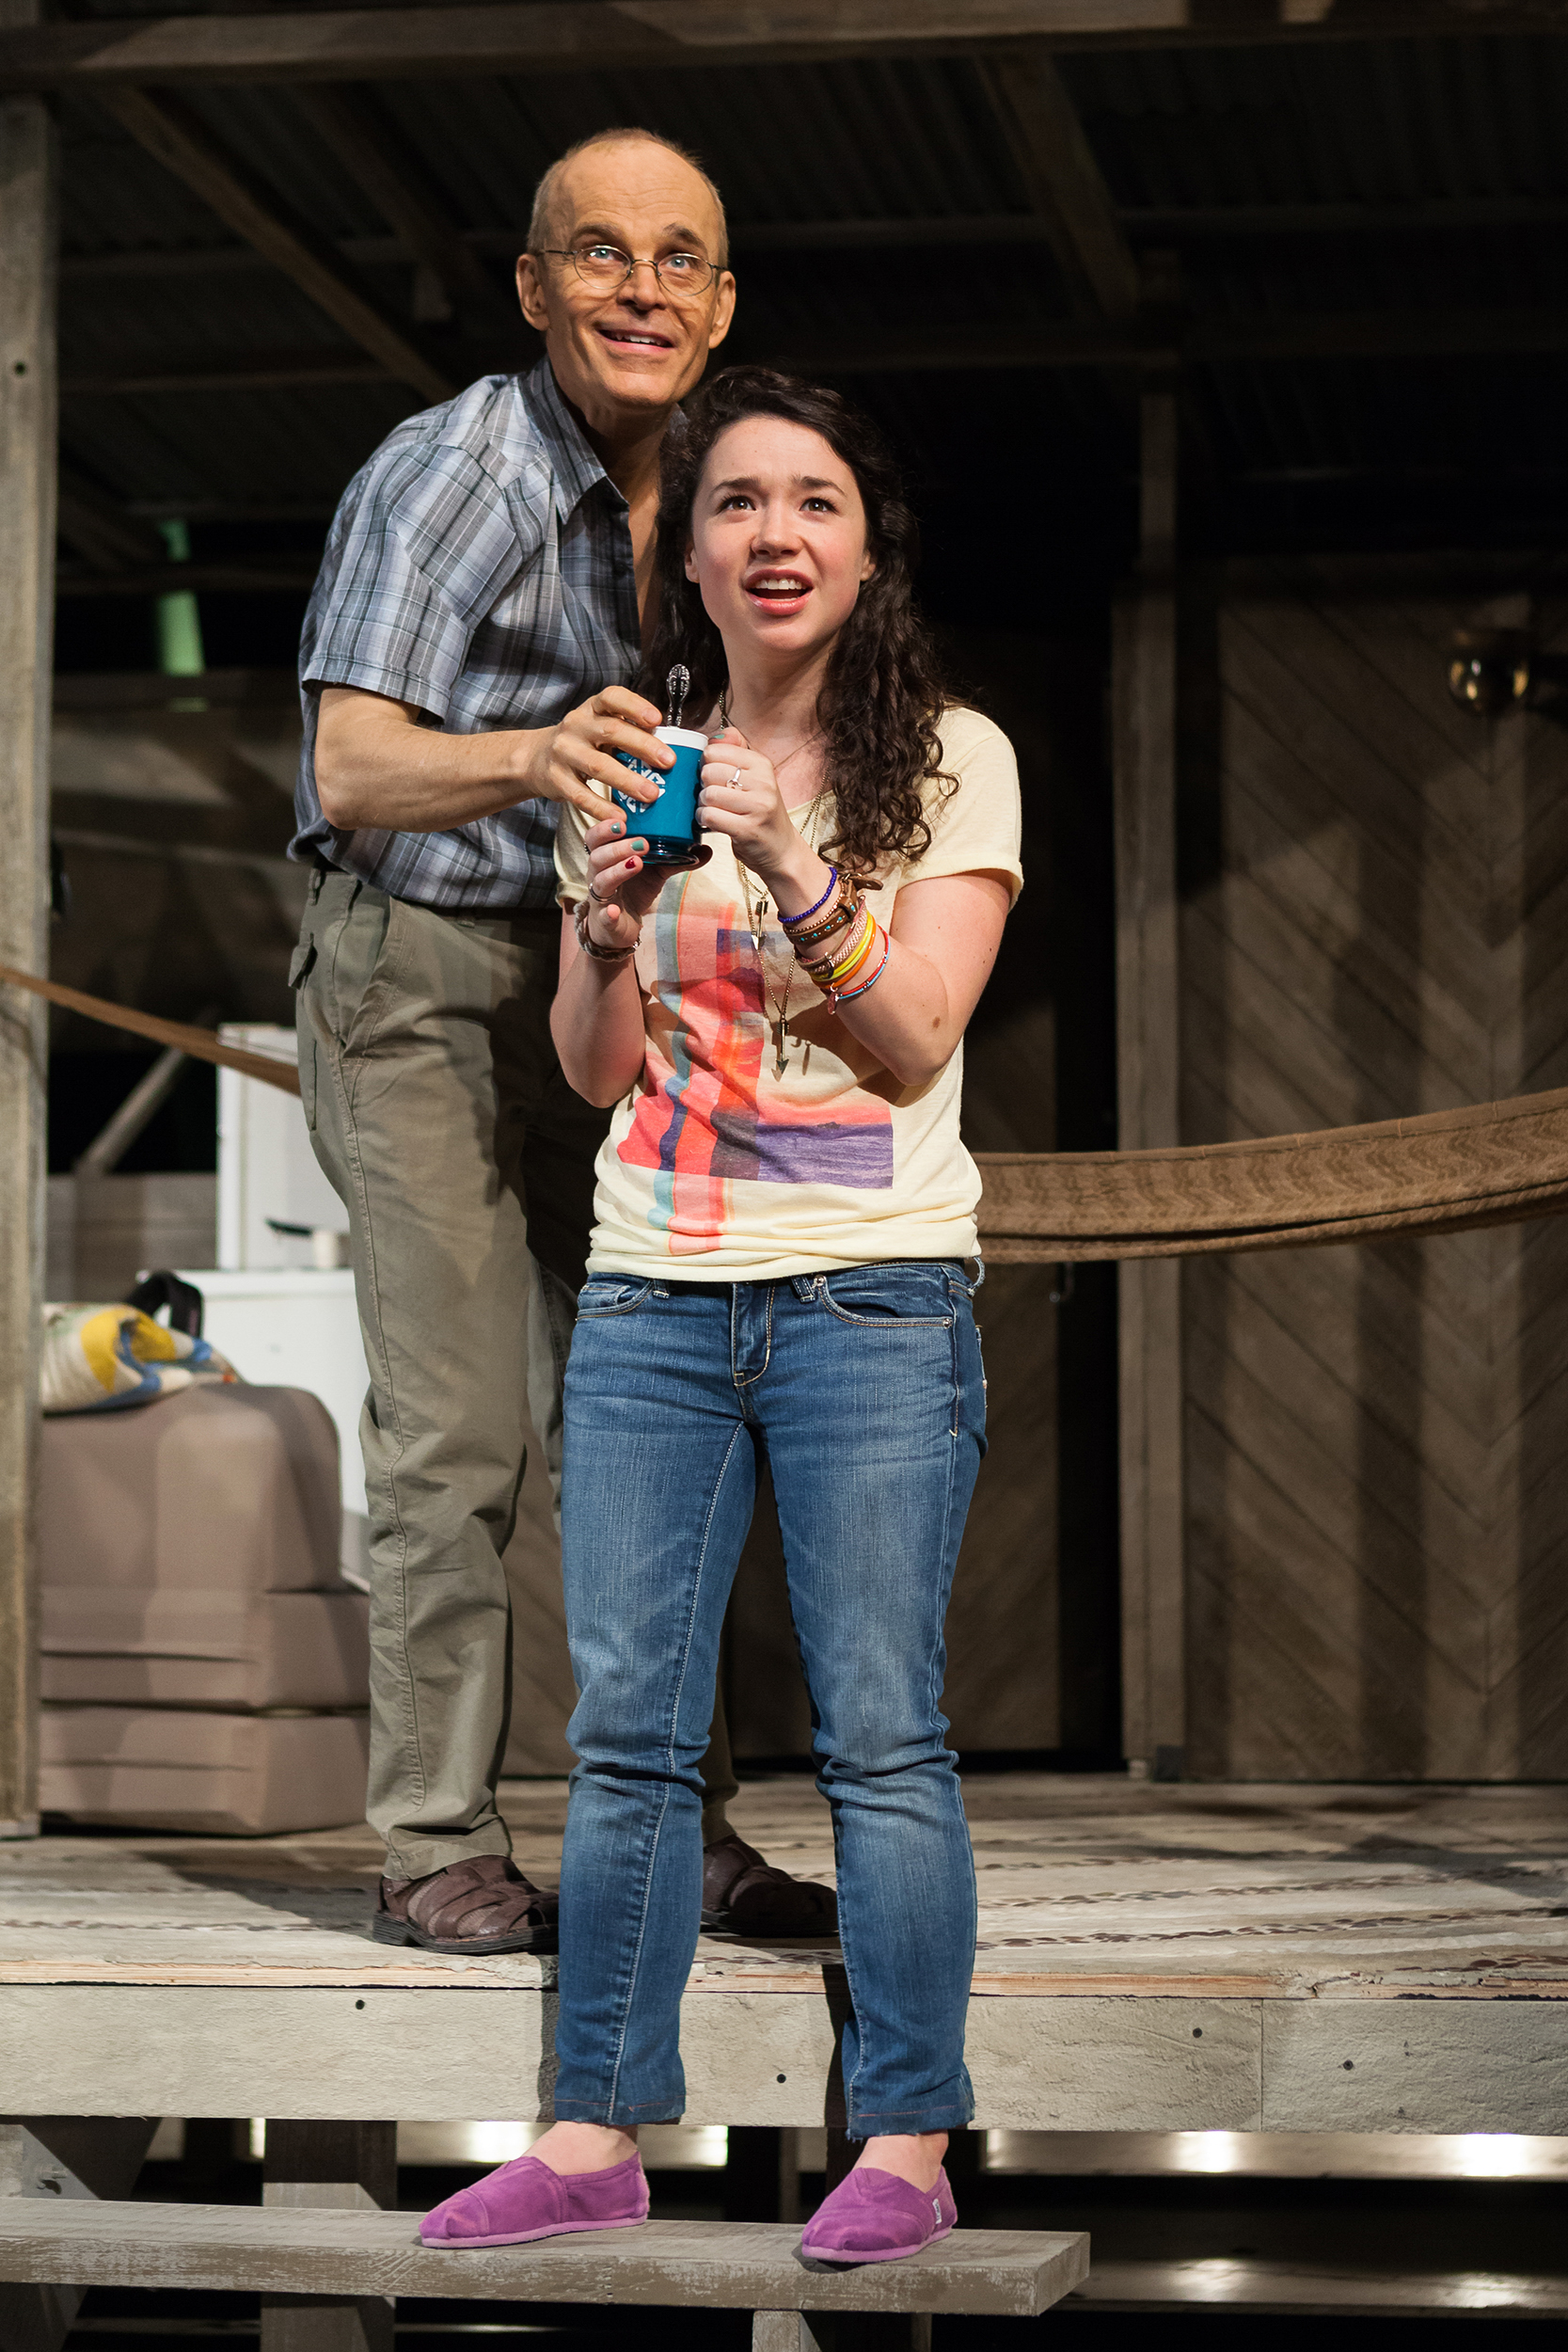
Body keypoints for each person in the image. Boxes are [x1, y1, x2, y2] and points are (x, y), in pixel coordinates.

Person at [420, 367, 1022, 2261]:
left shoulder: (954, 761)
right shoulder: (632, 753)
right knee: (626, 1739)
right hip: (656, 1295)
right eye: (738, 501)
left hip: (871, 1296)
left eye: (815, 500)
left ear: (866, 545)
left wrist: (786, 857)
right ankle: (594, 2121)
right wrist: (602, 922)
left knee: (882, 1734)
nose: (775, 531)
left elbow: (915, 1032)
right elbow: (596, 1073)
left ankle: (910, 2133)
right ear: (684, 554)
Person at [289, 130, 833, 1956]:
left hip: (604, 979)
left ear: (723, 297)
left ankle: (672, 1831)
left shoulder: (715, 487)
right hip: (421, 963)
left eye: (680, 258)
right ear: (535, 289)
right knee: (463, 1431)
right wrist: (534, 756)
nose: (642, 287)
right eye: (599, 255)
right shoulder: (446, 476)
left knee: (657, 1416)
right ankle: (435, 1837)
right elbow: (350, 765)